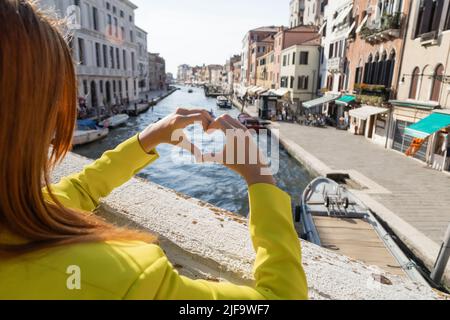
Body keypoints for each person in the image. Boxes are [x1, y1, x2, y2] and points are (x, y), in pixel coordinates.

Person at [0, 0, 308, 300]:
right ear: (33, 116)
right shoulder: (126, 278)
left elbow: (78, 190)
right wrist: (259, 177)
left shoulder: (18, 216)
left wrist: (147, 139)